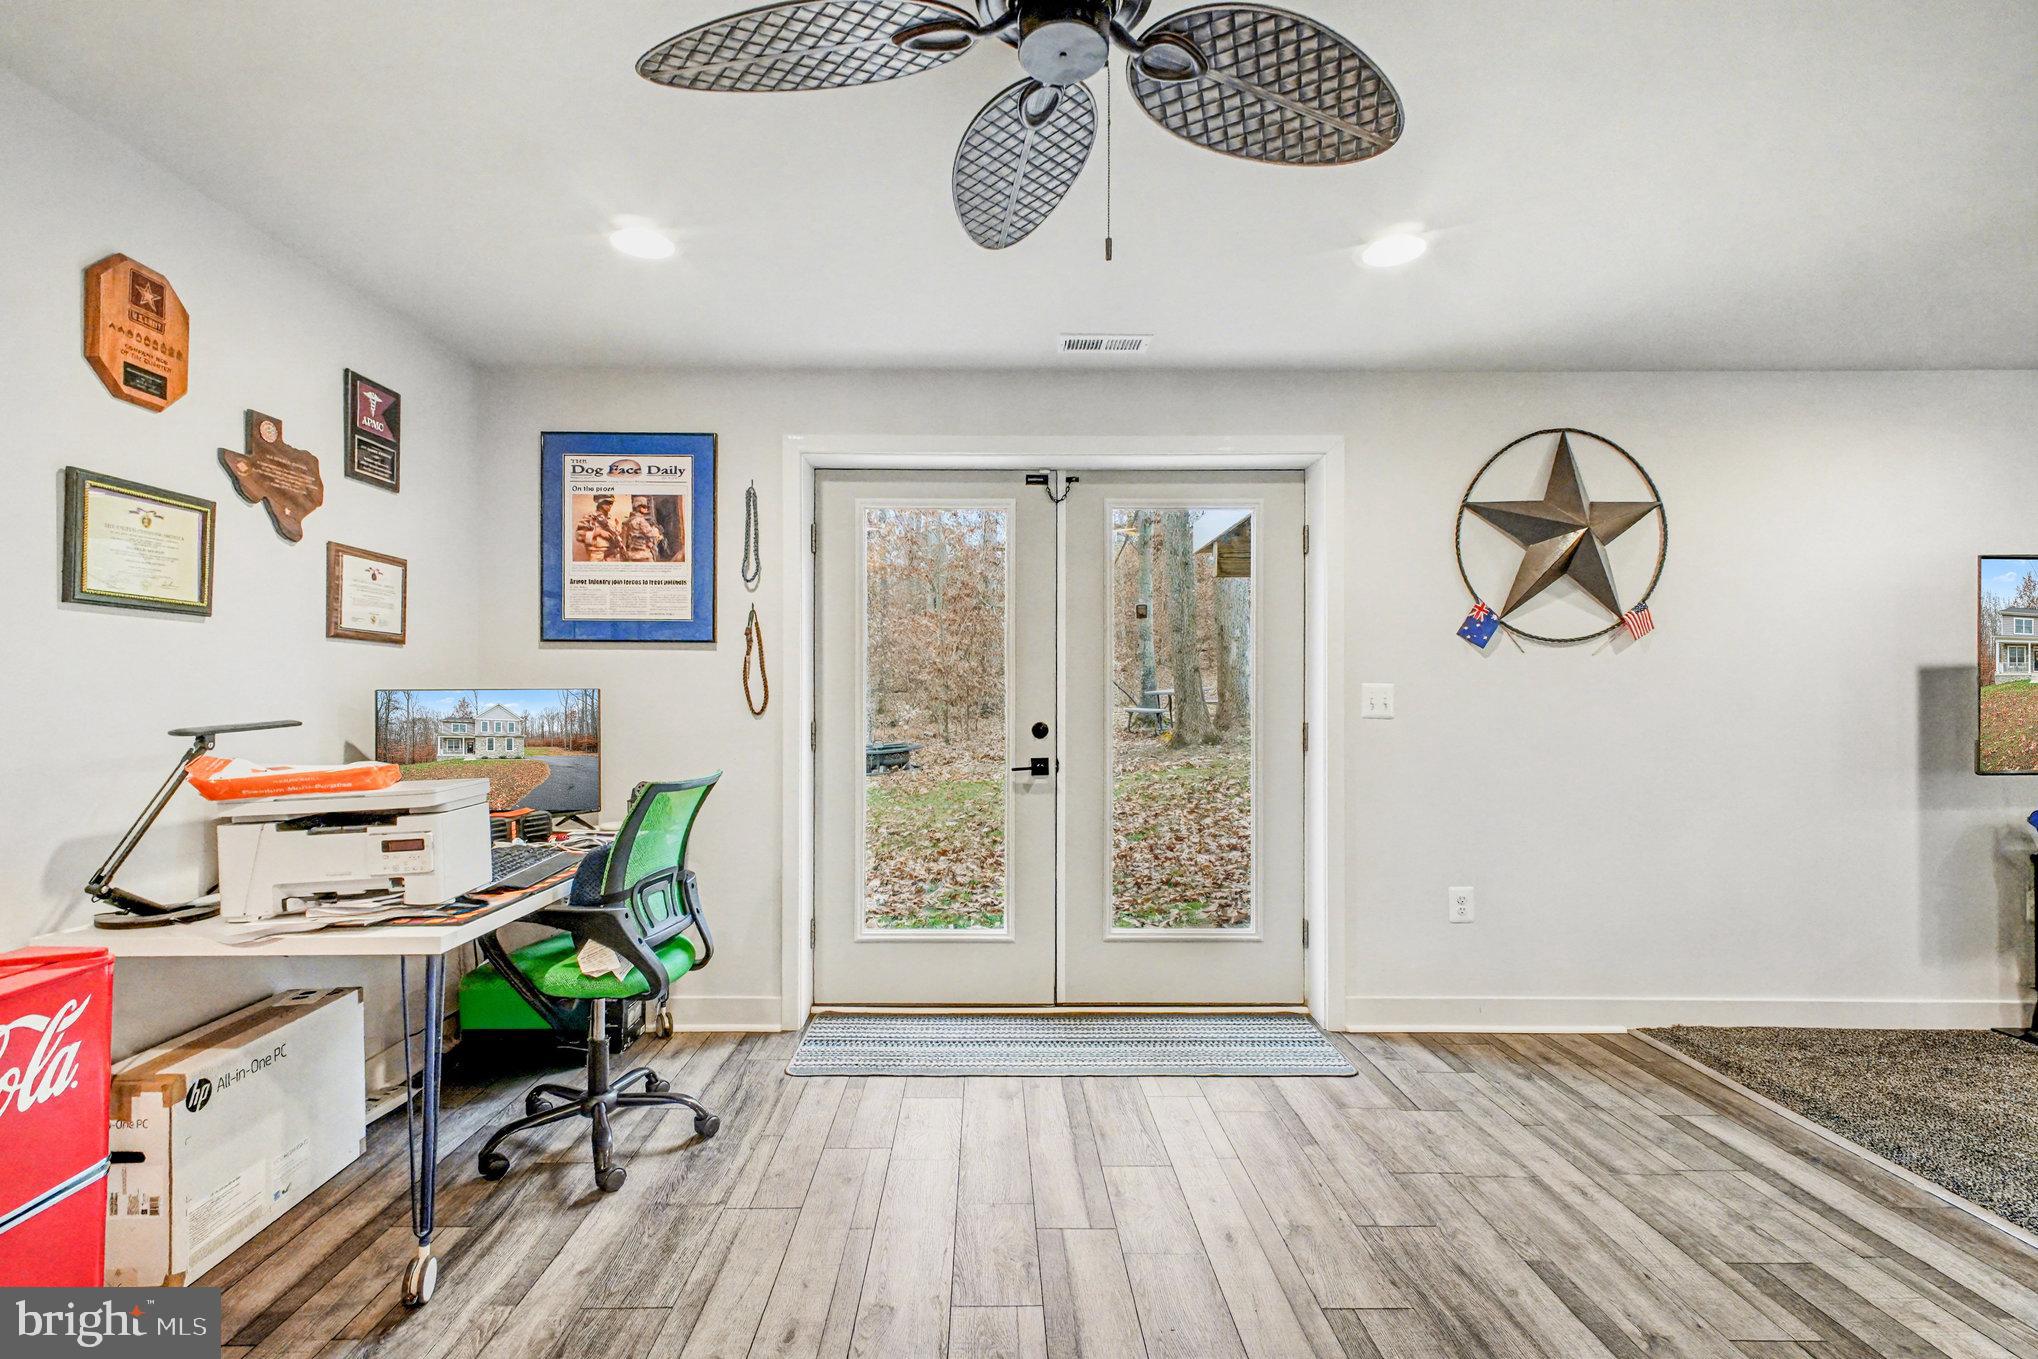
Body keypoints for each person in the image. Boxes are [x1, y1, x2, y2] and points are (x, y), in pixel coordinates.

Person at [622, 496, 666, 562]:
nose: (646, 509)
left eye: (647, 507)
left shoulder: (628, 521)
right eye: (644, 507)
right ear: (638, 507)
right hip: (643, 554)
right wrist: (657, 531)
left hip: (631, 553)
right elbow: (651, 534)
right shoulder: (641, 521)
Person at [576, 495, 619, 561]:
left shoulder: (611, 519)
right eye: (608, 502)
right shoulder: (590, 517)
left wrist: (617, 526)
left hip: (612, 555)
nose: (610, 505)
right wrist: (598, 532)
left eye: (612, 503)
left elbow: (615, 536)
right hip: (597, 554)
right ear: (601, 502)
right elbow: (579, 536)